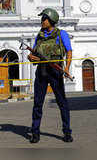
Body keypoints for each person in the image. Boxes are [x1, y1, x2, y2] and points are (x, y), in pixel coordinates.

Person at [27, 8, 73, 143]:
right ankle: (35, 132)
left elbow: (69, 51)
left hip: (55, 71)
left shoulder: (61, 34)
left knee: (62, 103)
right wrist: (31, 57)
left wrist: (67, 68)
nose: (42, 21)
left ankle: (67, 132)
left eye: (44, 19)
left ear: (51, 20)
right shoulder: (39, 36)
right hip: (41, 72)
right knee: (37, 103)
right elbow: (33, 53)